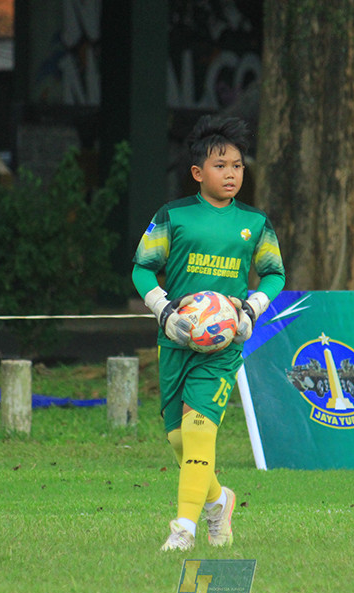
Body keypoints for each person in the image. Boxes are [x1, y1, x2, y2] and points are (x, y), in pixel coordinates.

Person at [131, 116, 286, 551]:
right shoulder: (173, 216)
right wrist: (163, 310)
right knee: (179, 440)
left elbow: (274, 274)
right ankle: (219, 501)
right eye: (222, 165)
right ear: (198, 172)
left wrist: (251, 308)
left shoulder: (255, 223)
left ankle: (184, 528)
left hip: (224, 345)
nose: (232, 173)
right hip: (176, 339)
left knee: (199, 431)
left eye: (238, 165)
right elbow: (142, 269)